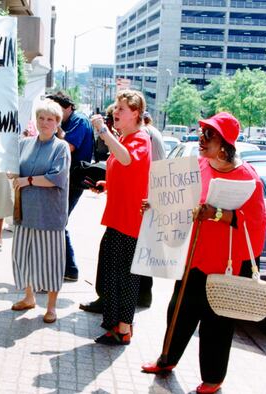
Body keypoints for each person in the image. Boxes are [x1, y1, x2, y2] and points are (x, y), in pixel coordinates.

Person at [141, 112, 266, 394]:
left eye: (209, 134)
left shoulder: (248, 177)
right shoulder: (197, 166)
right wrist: (154, 205)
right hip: (194, 257)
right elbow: (179, 201)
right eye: (202, 132)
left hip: (225, 266)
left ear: (225, 143)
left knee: (216, 324)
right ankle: (167, 359)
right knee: (178, 311)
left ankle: (212, 379)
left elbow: (255, 224)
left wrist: (219, 214)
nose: (201, 138)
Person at [89, 89, 151, 345]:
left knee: (126, 276)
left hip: (129, 221)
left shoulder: (139, 139)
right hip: (118, 217)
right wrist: (106, 185)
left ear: (135, 113)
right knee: (112, 273)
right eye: (115, 108)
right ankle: (116, 323)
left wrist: (103, 132)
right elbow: (127, 172)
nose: (115, 112)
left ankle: (124, 328)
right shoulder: (126, 139)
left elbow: (127, 161)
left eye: (121, 109)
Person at [9, 99, 70, 324]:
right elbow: (16, 169)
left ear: (57, 123)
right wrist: (13, 175)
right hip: (24, 212)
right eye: (41, 118)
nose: (45, 123)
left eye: (50, 119)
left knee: (50, 261)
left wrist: (27, 180)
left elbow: (57, 177)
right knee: (22, 257)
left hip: (49, 215)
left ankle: (51, 307)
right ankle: (28, 297)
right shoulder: (25, 143)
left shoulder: (61, 147)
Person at [47, 92, 93, 282]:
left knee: (59, 222)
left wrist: (56, 127)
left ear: (67, 107)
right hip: (67, 178)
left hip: (74, 180)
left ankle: (70, 268)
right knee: (57, 222)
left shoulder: (79, 121)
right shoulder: (69, 121)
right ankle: (64, 266)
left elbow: (68, 146)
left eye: (57, 111)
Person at [137, 111, 167, 307]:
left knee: (143, 248)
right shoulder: (153, 131)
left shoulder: (145, 133)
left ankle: (143, 296)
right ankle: (144, 295)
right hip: (155, 192)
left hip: (149, 194)